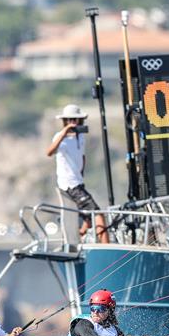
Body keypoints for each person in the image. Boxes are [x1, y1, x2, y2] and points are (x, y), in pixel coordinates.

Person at [46, 104, 109, 244]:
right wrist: (64, 132)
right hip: (70, 184)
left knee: (88, 220)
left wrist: (81, 173)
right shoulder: (60, 137)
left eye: (75, 119)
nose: (73, 122)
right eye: (69, 120)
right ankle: (106, 245)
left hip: (78, 182)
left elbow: (82, 156)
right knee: (98, 214)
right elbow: (49, 152)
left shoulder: (81, 138)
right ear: (65, 121)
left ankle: (78, 238)